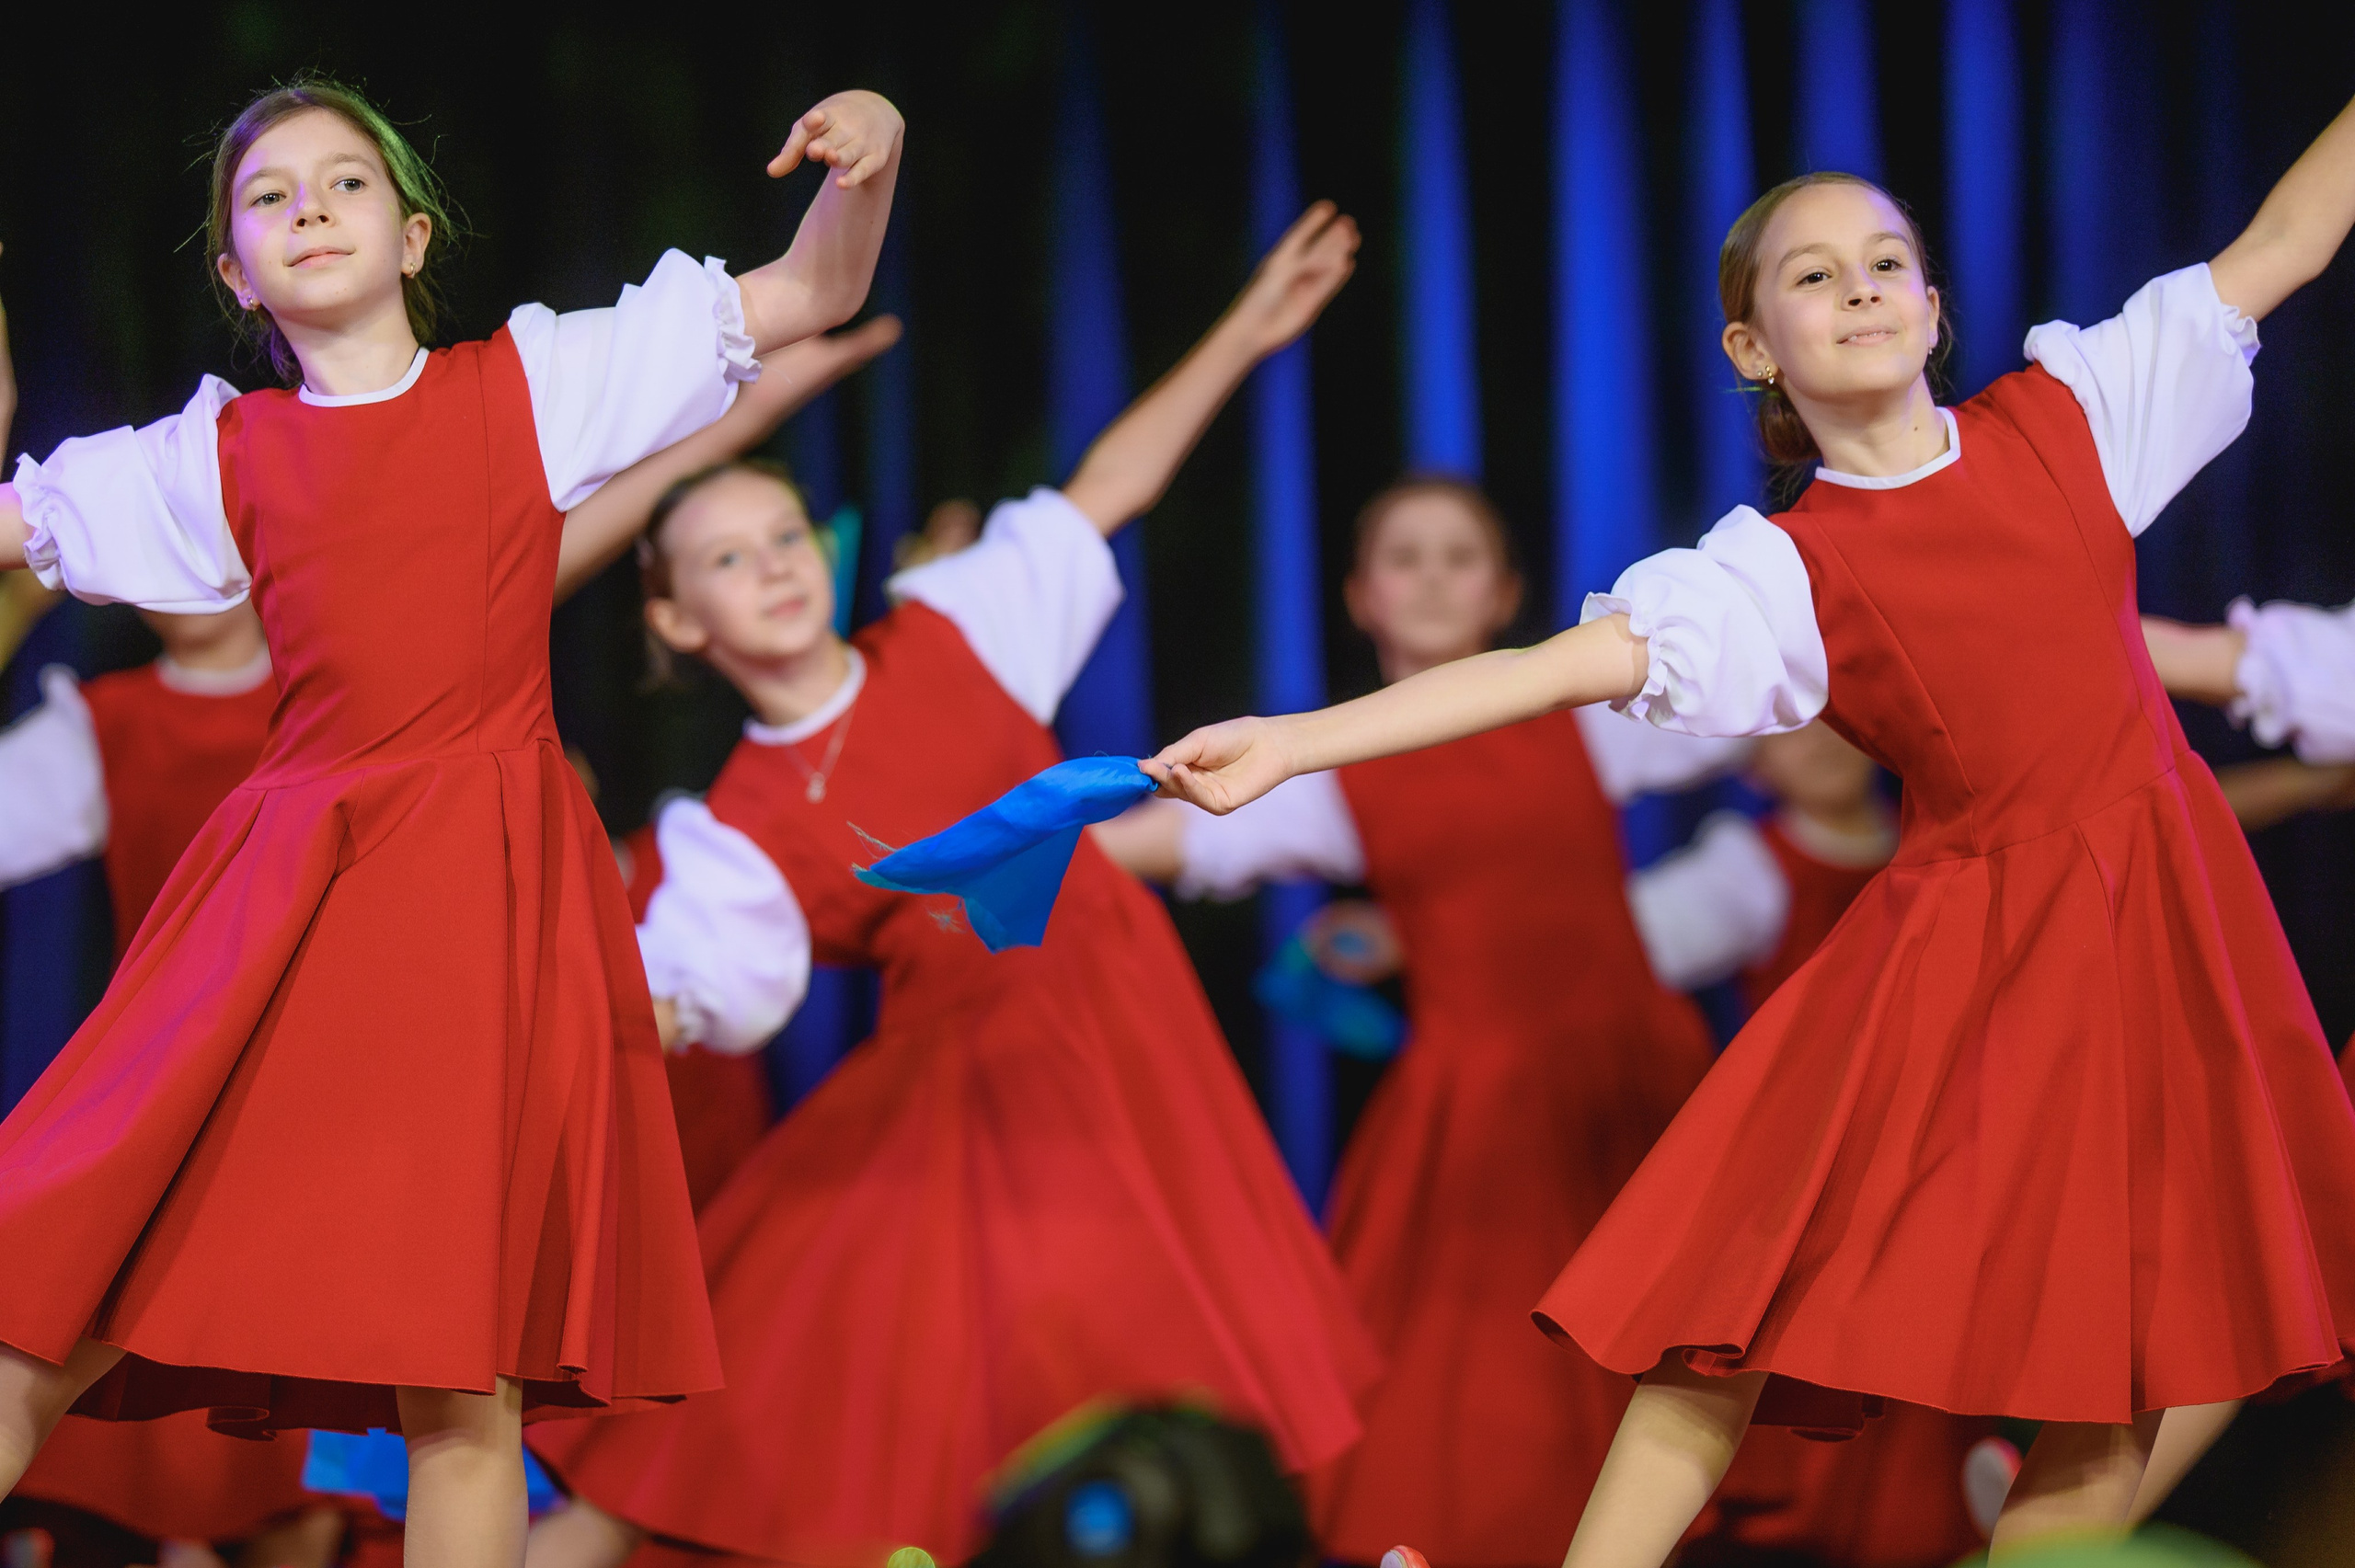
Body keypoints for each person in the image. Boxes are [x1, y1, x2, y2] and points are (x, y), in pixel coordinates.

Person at [1146, 94, 2355, 1563]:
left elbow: (2288, 236)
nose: (1860, 287)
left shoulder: (2079, 415)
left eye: (1887, 261)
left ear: (1934, 304)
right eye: (1813, 273)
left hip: (2152, 937)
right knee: (1735, 1304)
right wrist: (1292, 743)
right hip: (1963, 959)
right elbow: (1549, 670)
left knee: (2120, 1372)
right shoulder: (1779, 573)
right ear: (1752, 348)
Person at [0, 75, 902, 1568]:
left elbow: (818, 285)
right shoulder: (217, 459)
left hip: (472, 923)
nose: (310, 210)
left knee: (462, 1387)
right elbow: (22, 520)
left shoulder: (532, 390)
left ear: (413, 235)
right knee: (51, 1295)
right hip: (280, 913)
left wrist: (872, 157)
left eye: (345, 184)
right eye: (270, 198)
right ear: (235, 272)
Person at [523, 203, 1379, 1568]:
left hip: (1121, 1053)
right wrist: (589, 1026)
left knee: (1155, 1394)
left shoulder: (956, 627)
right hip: (956, 1100)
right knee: (921, 1402)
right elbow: (691, 989)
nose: (773, 567)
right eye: (726, 560)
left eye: (786, 536)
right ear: (680, 622)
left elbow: (1111, 488)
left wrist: (1247, 329)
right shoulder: (730, 827)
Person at [1093, 476, 1740, 1566]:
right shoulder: (1330, 766)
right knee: (1493, 1371)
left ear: (1508, 591)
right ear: (1359, 597)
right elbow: (1168, 842)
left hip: (1632, 1090)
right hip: (1480, 1121)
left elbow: (1767, 704)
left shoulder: (1594, 724)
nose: (1434, 576)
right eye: (1406, 557)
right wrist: (1010, 841)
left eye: (1460, 555)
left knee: (1683, 1338)